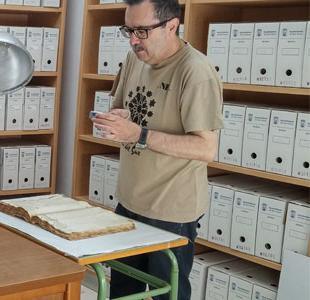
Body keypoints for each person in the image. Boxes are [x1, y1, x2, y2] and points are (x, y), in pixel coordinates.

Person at [91, 0, 223, 299]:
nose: (133, 39)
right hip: (129, 200)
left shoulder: (195, 71)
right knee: (123, 288)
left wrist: (138, 134)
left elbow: (206, 148)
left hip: (171, 210)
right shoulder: (135, 57)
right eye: (128, 30)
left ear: (171, 26)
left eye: (141, 31)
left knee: (167, 293)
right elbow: (121, 106)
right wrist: (119, 118)